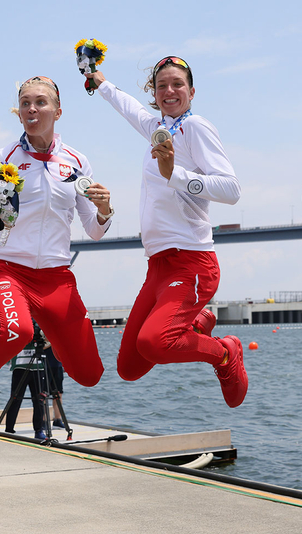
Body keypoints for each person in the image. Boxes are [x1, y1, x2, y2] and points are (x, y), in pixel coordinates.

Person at [86, 57, 248, 408]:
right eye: (162, 86)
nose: (170, 91)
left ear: (191, 91)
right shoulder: (159, 129)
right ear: (155, 95)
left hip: (190, 261)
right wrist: (99, 82)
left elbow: (231, 190)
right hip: (157, 266)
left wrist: (173, 173)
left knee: (154, 343)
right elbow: (128, 108)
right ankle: (197, 321)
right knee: (129, 367)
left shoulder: (196, 127)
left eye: (177, 84)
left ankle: (224, 352)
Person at [0, 76, 113, 433]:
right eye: (25, 103)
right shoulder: (2, 160)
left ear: (58, 111)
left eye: (41, 102)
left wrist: (105, 210)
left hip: (56, 278)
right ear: (19, 113)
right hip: (8, 269)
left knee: (90, 374)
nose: (32, 109)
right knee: (15, 330)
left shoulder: (76, 161)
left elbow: (93, 227)